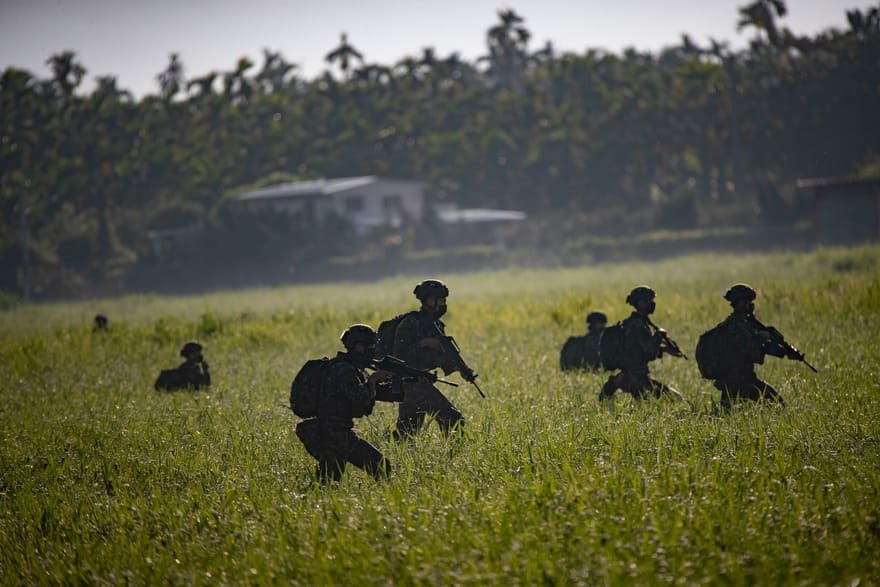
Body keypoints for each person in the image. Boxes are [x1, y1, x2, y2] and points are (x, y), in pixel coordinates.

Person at [295, 324, 393, 484]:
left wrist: (405, 383)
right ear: (359, 346)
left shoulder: (352, 368)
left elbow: (366, 394)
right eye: (370, 346)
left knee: (381, 466)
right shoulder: (343, 369)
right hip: (331, 434)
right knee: (328, 482)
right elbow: (359, 397)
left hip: (341, 433)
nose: (373, 350)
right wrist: (374, 380)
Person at [391, 279, 469, 438]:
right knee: (453, 419)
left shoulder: (437, 325)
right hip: (411, 382)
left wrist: (462, 369)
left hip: (421, 381)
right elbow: (399, 355)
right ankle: (453, 457)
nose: (443, 304)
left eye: (444, 300)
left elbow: (443, 355)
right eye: (440, 300)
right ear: (429, 300)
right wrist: (423, 344)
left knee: (407, 434)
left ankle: (391, 454)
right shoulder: (410, 323)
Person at [711, 283, 796, 409]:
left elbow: (761, 347)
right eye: (746, 301)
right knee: (778, 405)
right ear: (738, 303)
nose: (750, 305)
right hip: (739, 380)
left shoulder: (747, 323)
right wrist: (761, 337)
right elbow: (747, 348)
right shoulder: (734, 325)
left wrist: (784, 351)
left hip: (741, 378)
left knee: (726, 412)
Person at [599, 286, 683, 401]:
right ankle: (613, 385)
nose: (651, 304)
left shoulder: (638, 322)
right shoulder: (637, 325)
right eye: (647, 301)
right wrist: (659, 335)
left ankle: (613, 384)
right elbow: (649, 349)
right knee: (673, 400)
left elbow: (640, 350)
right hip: (636, 378)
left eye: (652, 301)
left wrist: (665, 349)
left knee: (665, 400)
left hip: (634, 374)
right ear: (639, 303)